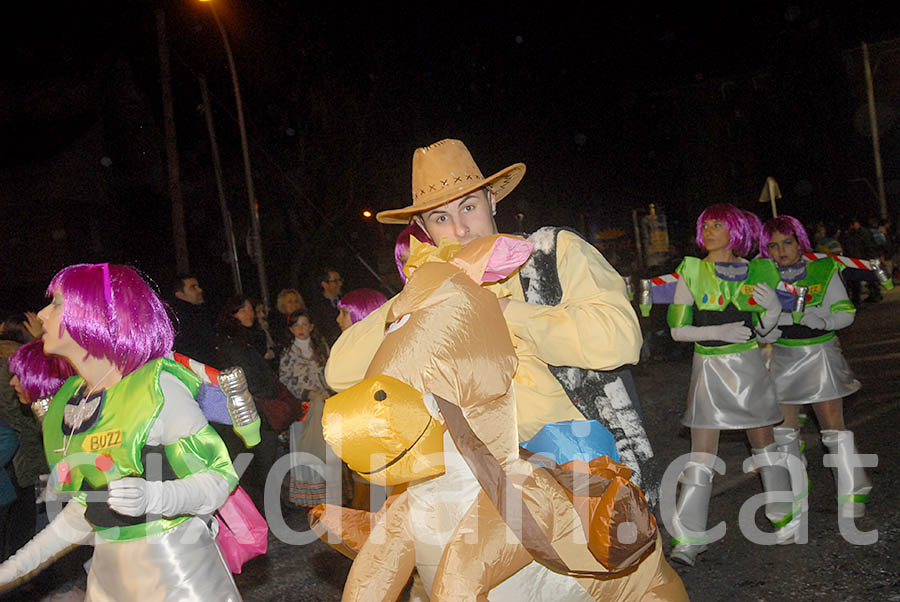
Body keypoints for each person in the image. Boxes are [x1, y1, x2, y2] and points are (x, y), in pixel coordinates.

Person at [326, 139, 655, 500]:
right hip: (483, 492)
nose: (460, 229)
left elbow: (620, 340)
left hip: (582, 475)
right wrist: (415, 297)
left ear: (492, 201)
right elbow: (340, 374)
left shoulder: (550, 252)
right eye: (440, 218)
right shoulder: (430, 293)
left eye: (469, 206)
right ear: (423, 227)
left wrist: (505, 312)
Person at [0, 263, 241, 600]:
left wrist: (154, 497)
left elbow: (218, 479)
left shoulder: (156, 387)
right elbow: (83, 513)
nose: (41, 314)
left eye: (55, 303)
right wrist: (9, 571)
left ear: (95, 313)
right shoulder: (68, 404)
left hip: (176, 569)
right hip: (109, 577)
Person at [666, 203, 796, 566]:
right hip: (708, 368)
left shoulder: (759, 271)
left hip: (749, 366)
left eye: (718, 225)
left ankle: (784, 516)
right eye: (705, 225)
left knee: (765, 445)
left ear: (735, 230)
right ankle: (690, 539)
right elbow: (678, 330)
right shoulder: (691, 271)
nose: (709, 231)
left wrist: (771, 312)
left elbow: (768, 332)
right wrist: (716, 331)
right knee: (700, 457)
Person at [760, 215, 870, 519]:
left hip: (820, 355)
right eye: (772, 245)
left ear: (799, 242)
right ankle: (794, 497)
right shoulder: (763, 277)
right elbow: (757, 322)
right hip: (781, 357)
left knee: (834, 430)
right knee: (783, 433)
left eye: (786, 242)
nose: (780, 250)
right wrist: (768, 325)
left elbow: (845, 311)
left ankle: (852, 493)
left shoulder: (823, 269)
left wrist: (824, 320)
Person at [215, 295, 281, 509]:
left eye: (250, 308)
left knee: (265, 458)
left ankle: (273, 504)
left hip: (258, 405)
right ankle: (268, 507)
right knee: (261, 459)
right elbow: (246, 377)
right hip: (252, 409)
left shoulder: (248, 338)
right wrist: (268, 392)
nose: (249, 313)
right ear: (232, 316)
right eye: (243, 310)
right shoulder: (234, 342)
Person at [279, 309, 343, 508]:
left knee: (327, 451)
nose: (301, 329)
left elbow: (332, 372)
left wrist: (327, 391)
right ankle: (310, 499)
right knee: (306, 451)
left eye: (305, 324)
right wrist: (306, 394)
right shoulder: (288, 353)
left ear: (312, 327)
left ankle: (331, 495)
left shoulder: (321, 348)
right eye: (296, 325)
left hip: (325, 407)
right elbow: (284, 380)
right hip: (303, 413)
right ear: (291, 329)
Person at [171, 274, 217, 366]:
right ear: (180, 295)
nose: (200, 290)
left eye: (198, 286)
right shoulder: (181, 319)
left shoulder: (201, 312)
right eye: (193, 288)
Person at [307, 269, 344, 347]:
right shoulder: (317, 306)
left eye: (340, 280)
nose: (340, 284)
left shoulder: (346, 300)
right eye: (335, 281)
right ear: (324, 284)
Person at [270, 288, 305, 356]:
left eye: (296, 301)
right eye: (290, 302)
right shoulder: (278, 324)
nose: (294, 304)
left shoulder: (307, 320)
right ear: (283, 305)